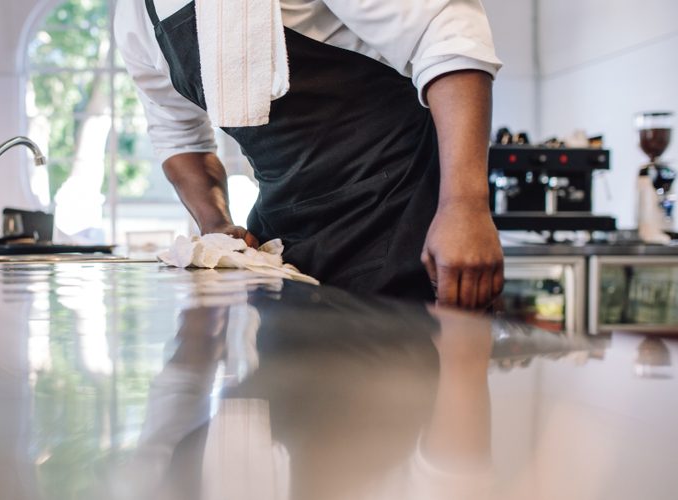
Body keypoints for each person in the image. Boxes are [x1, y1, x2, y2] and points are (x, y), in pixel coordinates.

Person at [115, 0, 506, 309]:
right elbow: (180, 138)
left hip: (401, 217)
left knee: (409, 399)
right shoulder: (135, 17)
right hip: (284, 246)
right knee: (294, 403)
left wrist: (464, 206)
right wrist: (215, 223)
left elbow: (446, 36)